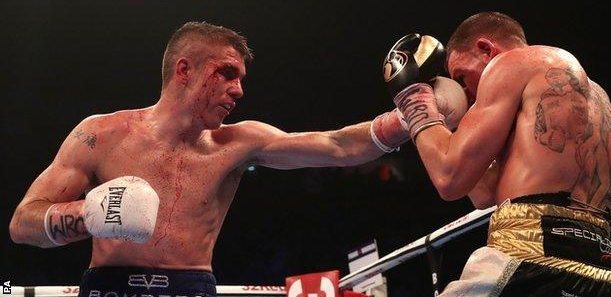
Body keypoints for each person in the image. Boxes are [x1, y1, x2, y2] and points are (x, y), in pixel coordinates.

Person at [9, 22, 417, 297]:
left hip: (193, 286)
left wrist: (411, 115)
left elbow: (338, 145)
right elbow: (23, 223)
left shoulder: (237, 143)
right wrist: (88, 215)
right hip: (108, 286)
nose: (238, 91)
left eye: (241, 79)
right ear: (184, 70)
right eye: (226, 73)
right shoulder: (101, 134)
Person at [387, 12, 611, 295]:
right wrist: (453, 128)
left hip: (529, 257)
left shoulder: (507, 65)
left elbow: (448, 178)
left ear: (486, 49)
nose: (467, 94)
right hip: (601, 271)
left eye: (461, 77)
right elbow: (484, 193)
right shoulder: (598, 96)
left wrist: (415, 100)